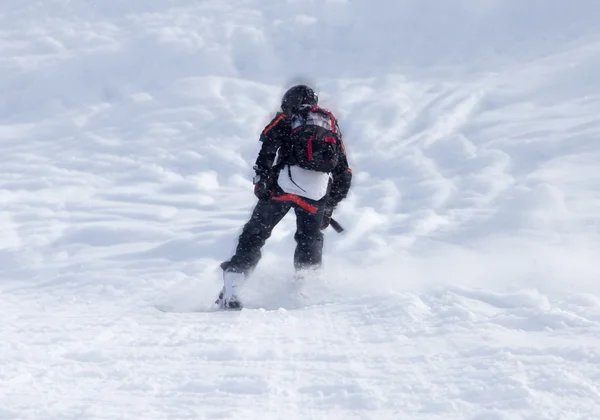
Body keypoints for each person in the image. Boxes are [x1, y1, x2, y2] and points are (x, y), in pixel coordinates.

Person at [216, 84, 352, 309]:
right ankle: (305, 290)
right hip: (315, 194)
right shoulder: (330, 126)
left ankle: (232, 288)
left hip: (283, 187)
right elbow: (344, 172)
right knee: (310, 239)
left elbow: (267, 150)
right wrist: (328, 207)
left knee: (255, 233)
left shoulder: (286, 118)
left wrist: (262, 182)